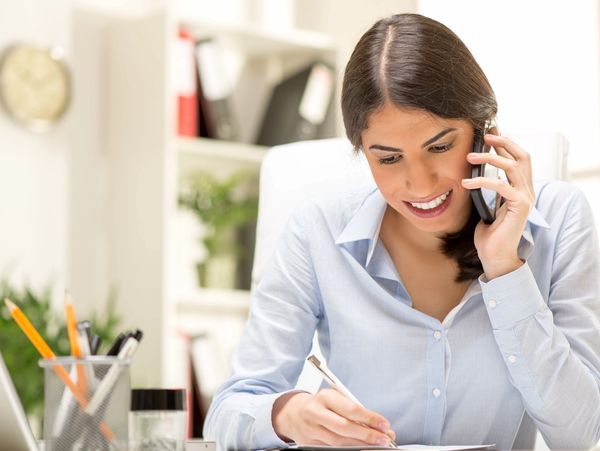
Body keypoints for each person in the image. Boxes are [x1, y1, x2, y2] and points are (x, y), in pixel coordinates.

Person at [203, 13, 600, 451]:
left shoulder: (559, 219)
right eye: (389, 159)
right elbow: (227, 414)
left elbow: (583, 437)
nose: (422, 184)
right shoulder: (316, 232)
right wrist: (286, 415)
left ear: (483, 134)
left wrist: (506, 269)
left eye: (440, 146)